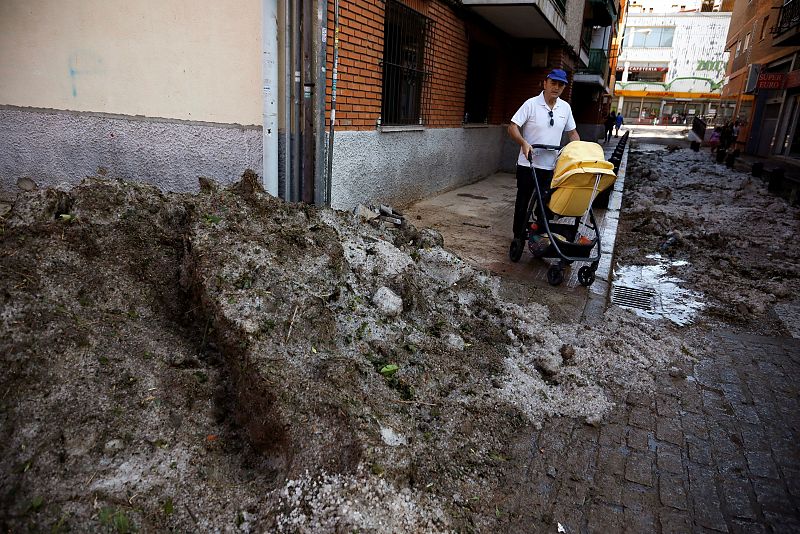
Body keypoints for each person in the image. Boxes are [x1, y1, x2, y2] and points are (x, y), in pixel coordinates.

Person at [507, 68, 580, 257]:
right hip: (528, 164)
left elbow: (572, 133)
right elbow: (512, 127)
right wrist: (523, 142)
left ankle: (539, 238)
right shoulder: (530, 104)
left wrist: (579, 151)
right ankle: (518, 237)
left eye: (561, 85)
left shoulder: (565, 108)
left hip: (550, 167)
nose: (556, 87)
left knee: (546, 206)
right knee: (523, 202)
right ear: (545, 83)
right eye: (553, 83)